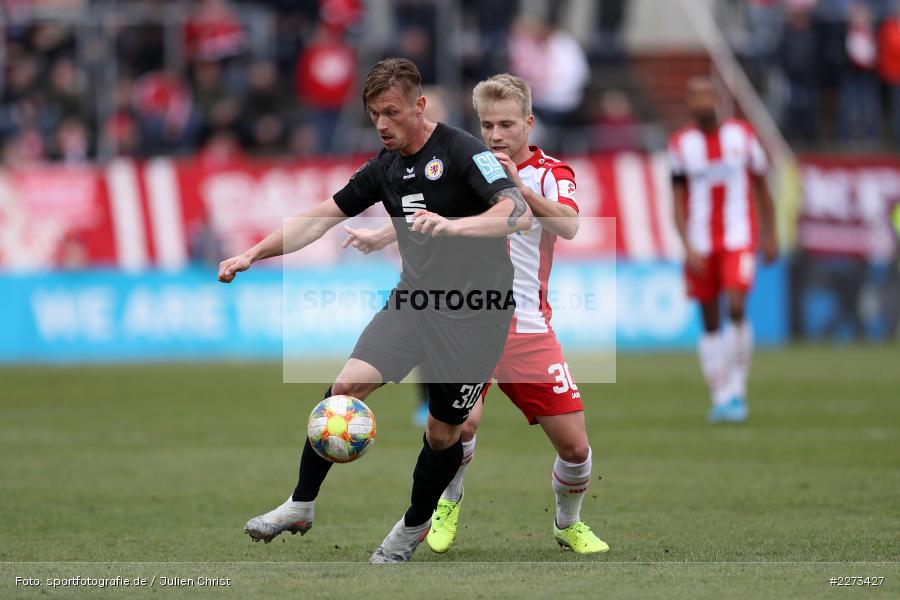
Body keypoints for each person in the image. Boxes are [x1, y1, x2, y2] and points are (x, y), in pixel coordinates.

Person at [218, 58, 530, 564]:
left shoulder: (463, 151)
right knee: (343, 388)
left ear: (419, 106)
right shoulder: (383, 168)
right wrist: (253, 253)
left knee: (443, 432)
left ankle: (412, 528)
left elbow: (514, 209)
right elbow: (319, 217)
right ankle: (301, 503)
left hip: (477, 314)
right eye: (373, 114)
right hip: (414, 302)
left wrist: (454, 226)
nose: (382, 124)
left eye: (391, 112)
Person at [343, 74, 607, 554]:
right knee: (455, 427)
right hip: (465, 318)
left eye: (506, 124)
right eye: (487, 125)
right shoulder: (470, 163)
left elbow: (568, 226)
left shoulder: (550, 172)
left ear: (529, 122)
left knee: (575, 449)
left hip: (527, 325)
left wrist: (515, 188)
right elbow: (425, 213)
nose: (496, 135)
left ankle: (568, 524)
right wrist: (382, 236)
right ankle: (445, 504)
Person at [668, 77, 777, 423]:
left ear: (718, 99)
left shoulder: (742, 137)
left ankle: (737, 389)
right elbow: (677, 199)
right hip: (701, 243)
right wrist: (686, 245)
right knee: (710, 319)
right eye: (695, 97)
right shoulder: (680, 144)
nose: (702, 103)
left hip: (739, 238)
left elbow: (762, 186)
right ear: (689, 103)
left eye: (707, 96)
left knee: (735, 305)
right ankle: (719, 395)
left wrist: (771, 234)